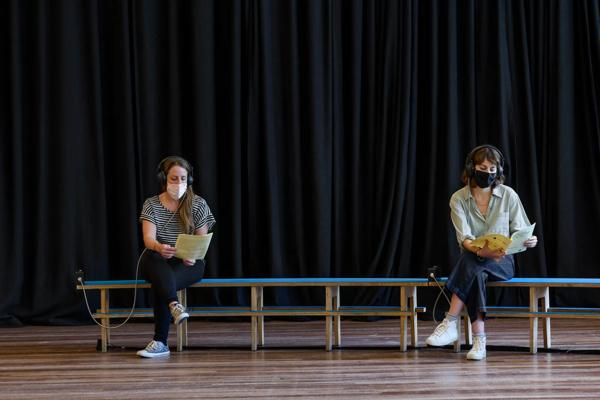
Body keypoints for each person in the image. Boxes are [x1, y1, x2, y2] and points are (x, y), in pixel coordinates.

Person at [425, 145, 538, 360]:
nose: (488, 172)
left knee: (471, 261)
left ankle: (450, 322)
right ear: (471, 167)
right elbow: (464, 239)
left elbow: (521, 231)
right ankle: (479, 341)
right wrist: (481, 251)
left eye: (492, 168)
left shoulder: (508, 195)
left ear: (498, 171)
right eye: (482, 167)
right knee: (475, 268)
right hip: (474, 258)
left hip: (502, 261)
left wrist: (529, 240)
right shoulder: (458, 199)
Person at [136, 156, 215, 358]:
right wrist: (159, 247)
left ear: (188, 180)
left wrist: (193, 255)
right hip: (158, 259)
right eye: (173, 178)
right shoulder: (151, 204)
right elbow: (148, 239)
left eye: (182, 178)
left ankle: (160, 342)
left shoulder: (197, 204)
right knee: (154, 261)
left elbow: (202, 240)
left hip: (189, 263)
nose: (178, 183)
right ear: (164, 179)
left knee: (161, 282)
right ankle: (174, 305)